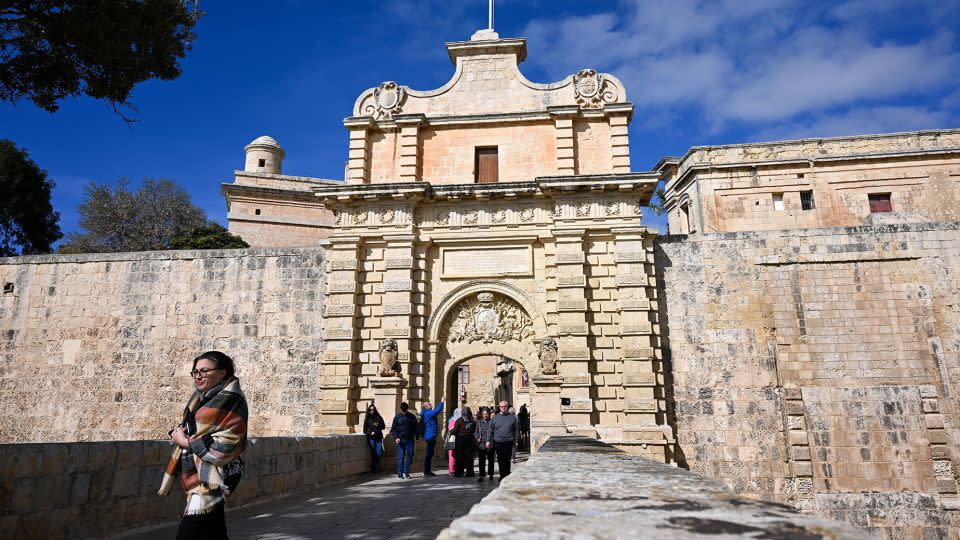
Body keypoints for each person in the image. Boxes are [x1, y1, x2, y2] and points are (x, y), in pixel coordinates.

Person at [160, 351, 248, 540]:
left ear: (222, 373)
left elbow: (226, 445)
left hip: (218, 472)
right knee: (214, 530)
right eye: (195, 371)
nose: (198, 376)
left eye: (205, 371)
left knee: (189, 531)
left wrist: (185, 441)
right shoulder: (200, 398)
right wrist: (181, 432)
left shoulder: (232, 399)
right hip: (201, 470)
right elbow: (195, 428)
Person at [490, 400, 519, 481]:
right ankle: (502, 475)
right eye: (502, 406)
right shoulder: (495, 418)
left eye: (505, 406)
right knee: (500, 459)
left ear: (507, 407)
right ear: (499, 407)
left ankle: (507, 476)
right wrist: (489, 441)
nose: (503, 408)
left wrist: (516, 440)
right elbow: (491, 430)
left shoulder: (512, 417)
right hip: (498, 442)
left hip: (509, 442)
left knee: (507, 460)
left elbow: (516, 430)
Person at [390, 402, 418, 479]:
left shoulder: (412, 416)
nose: (404, 412)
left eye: (405, 410)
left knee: (410, 455)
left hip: (410, 438)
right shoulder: (397, 417)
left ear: (407, 409)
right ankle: (399, 474)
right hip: (400, 439)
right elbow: (393, 429)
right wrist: (396, 437)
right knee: (401, 457)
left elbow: (416, 427)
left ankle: (406, 472)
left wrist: (417, 437)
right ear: (401, 409)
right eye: (403, 410)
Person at [420, 400, 444, 476]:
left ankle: (427, 471)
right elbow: (437, 411)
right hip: (429, 436)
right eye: (429, 404)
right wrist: (442, 402)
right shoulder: (427, 413)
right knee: (429, 454)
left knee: (430, 454)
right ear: (426, 407)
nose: (431, 404)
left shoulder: (428, 413)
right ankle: (426, 471)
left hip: (431, 435)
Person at [452, 407, 476, 477]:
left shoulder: (459, 421)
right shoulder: (471, 421)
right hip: (465, 441)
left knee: (463, 457)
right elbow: (474, 430)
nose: (466, 417)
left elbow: (455, 430)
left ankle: (461, 473)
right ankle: (466, 472)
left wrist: (452, 432)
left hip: (463, 441)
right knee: (466, 457)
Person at [363, 403, 385, 474]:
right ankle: (374, 469)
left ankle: (375, 467)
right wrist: (370, 433)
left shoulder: (379, 417)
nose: (372, 411)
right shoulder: (367, 419)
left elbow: (383, 426)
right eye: (370, 409)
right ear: (369, 410)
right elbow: (364, 430)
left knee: (378, 453)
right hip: (371, 438)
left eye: (373, 409)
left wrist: (378, 425)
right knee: (373, 453)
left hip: (378, 437)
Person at [474, 407, 495, 481]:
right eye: (483, 414)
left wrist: (491, 441)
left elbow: (493, 433)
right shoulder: (479, 422)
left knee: (491, 460)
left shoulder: (492, 422)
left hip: (490, 444)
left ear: (489, 414)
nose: (485, 415)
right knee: (481, 461)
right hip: (481, 444)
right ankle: (481, 475)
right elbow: (476, 432)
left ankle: (491, 474)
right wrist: (477, 438)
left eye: (486, 414)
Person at [446, 408, 462, 474]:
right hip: (456, 439)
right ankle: (453, 469)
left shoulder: (450, 420)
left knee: (451, 454)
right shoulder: (459, 421)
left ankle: (451, 469)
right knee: (455, 454)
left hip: (450, 439)